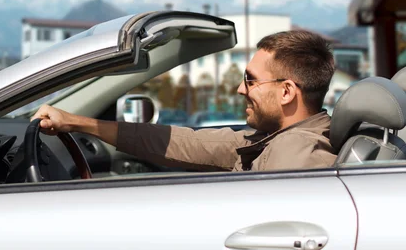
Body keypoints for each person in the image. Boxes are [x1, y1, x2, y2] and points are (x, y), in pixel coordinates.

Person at [31, 30, 337, 172]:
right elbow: (185, 141)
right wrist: (76, 122)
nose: (241, 90)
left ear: (286, 92)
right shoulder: (272, 140)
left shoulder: (299, 155)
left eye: (251, 80)